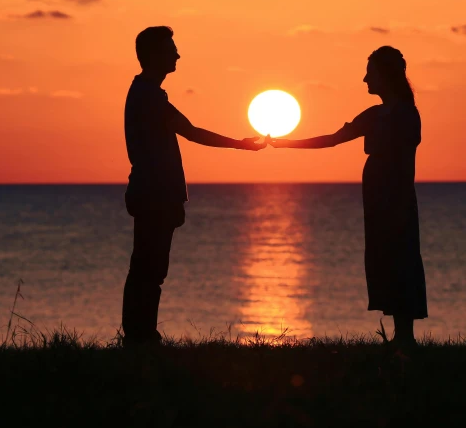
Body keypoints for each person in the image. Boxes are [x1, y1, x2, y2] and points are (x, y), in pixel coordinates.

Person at [269, 46, 427, 348]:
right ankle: (400, 335)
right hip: (378, 195)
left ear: (385, 75)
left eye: (371, 72)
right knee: (385, 256)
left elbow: (401, 157)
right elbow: (332, 140)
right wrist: (286, 143)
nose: (365, 79)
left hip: (396, 195)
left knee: (402, 255)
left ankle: (405, 336)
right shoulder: (377, 114)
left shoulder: (405, 113)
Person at [123, 26, 265, 345]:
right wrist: (241, 145)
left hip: (152, 192)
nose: (177, 54)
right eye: (171, 49)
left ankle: (140, 336)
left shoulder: (147, 93)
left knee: (147, 268)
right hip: (154, 194)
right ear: (155, 55)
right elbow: (192, 132)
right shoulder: (149, 96)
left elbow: (186, 130)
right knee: (149, 269)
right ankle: (140, 338)